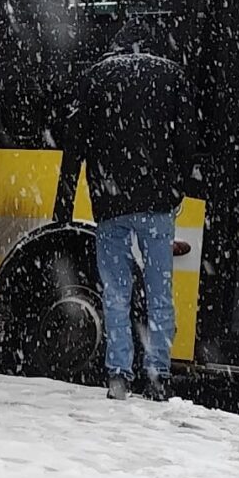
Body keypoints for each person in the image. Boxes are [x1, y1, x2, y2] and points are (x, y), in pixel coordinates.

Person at [61, 28, 197, 400]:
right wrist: (179, 186)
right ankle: (157, 374)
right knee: (159, 292)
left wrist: (65, 203)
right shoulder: (172, 75)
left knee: (116, 293)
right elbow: (186, 140)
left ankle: (118, 375)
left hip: (110, 203)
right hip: (157, 203)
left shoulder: (96, 76)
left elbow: (75, 143)